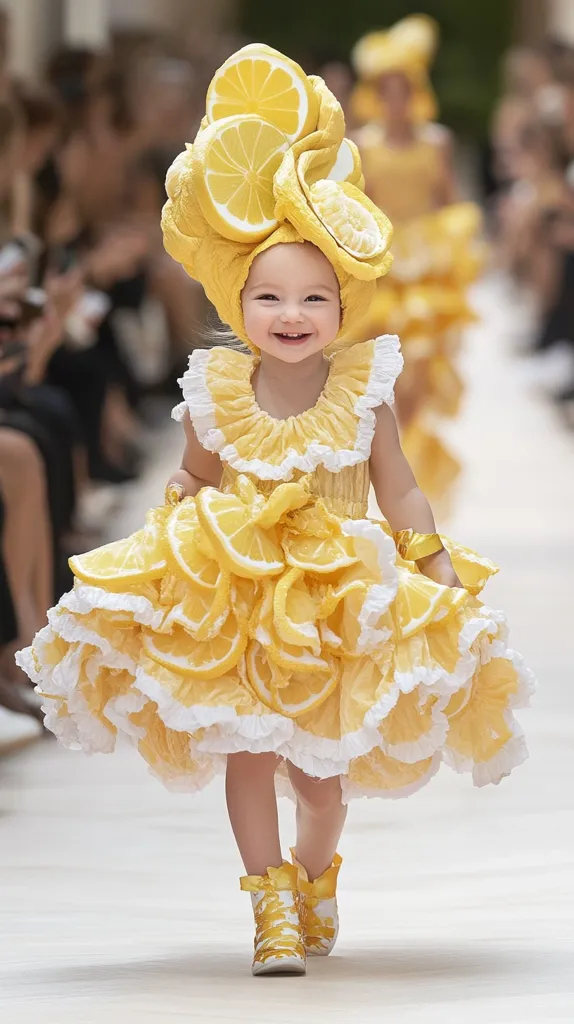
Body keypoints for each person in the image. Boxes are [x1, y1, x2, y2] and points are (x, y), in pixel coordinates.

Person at [16, 44, 534, 978]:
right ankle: (270, 906)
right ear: (237, 301)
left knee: (321, 777)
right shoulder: (217, 386)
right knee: (249, 754)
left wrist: (430, 558)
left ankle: (316, 868)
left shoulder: (362, 390)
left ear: (344, 305)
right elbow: (192, 483)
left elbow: (400, 483)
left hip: (337, 598)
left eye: (312, 298)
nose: (290, 315)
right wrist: (159, 553)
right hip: (241, 598)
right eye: (268, 297)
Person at [350, 16, 484, 514]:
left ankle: (406, 480)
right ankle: (385, 479)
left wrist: (459, 252)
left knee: (419, 377)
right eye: (386, 90)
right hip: (383, 267)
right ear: (374, 93)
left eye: (402, 89)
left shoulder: (437, 141)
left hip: (426, 268)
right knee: (380, 377)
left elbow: (449, 202)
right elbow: (358, 205)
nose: (395, 100)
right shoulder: (364, 143)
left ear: (416, 90)